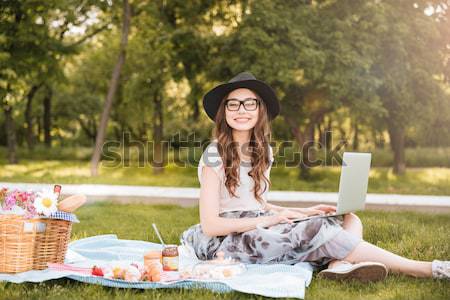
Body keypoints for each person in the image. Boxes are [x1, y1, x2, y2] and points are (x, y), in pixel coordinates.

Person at [180, 71, 449, 281]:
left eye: (250, 103)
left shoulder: (264, 152)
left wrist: (303, 211)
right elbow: (211, 225)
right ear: (224, 112)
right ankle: (423, 269)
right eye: (233, 104)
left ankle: (338, 265)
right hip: (223, 242)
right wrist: (274, 219)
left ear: (260, 111)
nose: (241, 110)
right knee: (318, 231)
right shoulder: (215, 153)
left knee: (346, 218)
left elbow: (255, 205)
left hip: (256, 224)